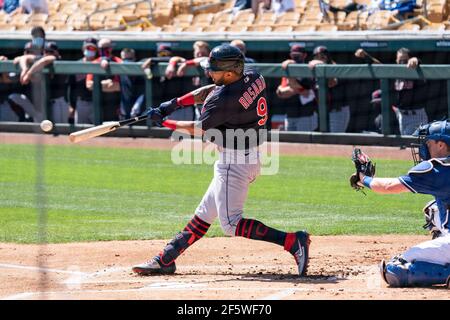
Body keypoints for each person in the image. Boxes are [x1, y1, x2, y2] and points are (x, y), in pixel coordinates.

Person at [132, 44, 311, 276]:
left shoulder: (224, 100)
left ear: (228, 73)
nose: (209, 72)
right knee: (204, 214)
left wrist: (164, 121)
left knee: (231, 224)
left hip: (234, 162)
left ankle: (292, 241)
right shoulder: (253, 76)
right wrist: (173, 105)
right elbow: (210, 89)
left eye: (214, 69)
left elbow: (199, 129)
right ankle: (166, 259)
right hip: (249, 154)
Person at [354, 120, 450, 288]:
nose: (424, 147)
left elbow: (388, 187)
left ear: (441, 144)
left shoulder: (438, 170)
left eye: (428, 142)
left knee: (396, 270)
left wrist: (363, 178)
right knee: (433, 208)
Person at [355, 47, 427, 135]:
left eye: (405, 60)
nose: (402, 63)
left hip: (416, 116)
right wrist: (366, 56)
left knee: (411, 144)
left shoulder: (415, 71)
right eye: (400, 60)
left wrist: (415, 60)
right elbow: (379, 67)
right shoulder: (394, 73)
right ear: (396, 60)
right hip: (401, 115)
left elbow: (417, 63)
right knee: (409, 145)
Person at [19, 41, 70, 123]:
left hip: (58, 102)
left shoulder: (56, 58)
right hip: (46, 102)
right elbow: (23, 58)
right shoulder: (41, 59)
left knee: (61, 129)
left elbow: (45, 60)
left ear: (56, 52)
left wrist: (28, 73)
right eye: (45, 51)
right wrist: (24, 69)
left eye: (50, 51)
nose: (47, 54)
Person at [276, 44, 318, 131]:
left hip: (306, 115)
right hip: (290, 115)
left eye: (298, 55)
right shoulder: (287, 70)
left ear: (304, 55)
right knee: (290, 143)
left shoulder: (309, 69)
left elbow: (307, 94)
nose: (295, 57)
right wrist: (297, 89)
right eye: (293, 55)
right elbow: (280, 92)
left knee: (305, 143)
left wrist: (292, 85)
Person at [309, 45, 350, 133]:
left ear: (328, 57)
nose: (320, 59)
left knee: (336, 139)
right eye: (317, 57)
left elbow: (332, 83)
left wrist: (320, 64)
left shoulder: (335, 68)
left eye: (323, 56)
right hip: (321, 111)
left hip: (338, 110)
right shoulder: (312, 70)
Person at [86, 38, 122, 122]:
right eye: (102, 48)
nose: (105, 50)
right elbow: (89, 85)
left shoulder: (118, 62)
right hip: (97, 104)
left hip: (115, 104)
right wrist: (107, 84)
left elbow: (117, 86)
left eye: (107, 47)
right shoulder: (95, 63)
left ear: (111, 48)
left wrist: (97, 85)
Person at [66, 37, 98, 124]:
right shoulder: (77, 65)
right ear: (83, 49)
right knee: (80, 132)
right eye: (88, 48)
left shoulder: (99, 64)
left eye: (92, 48)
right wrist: (71, 105)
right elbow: (70, 87)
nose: (90, 50)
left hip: (97, 103)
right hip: (81, 103)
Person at [119, 48, 145, 120]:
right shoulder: (120, 71)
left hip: (140, 115)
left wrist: (138, 105)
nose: (127, 61)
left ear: (134, 59)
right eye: (124, 59)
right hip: (124, 113)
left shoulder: (141, 73)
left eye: (130, 58)